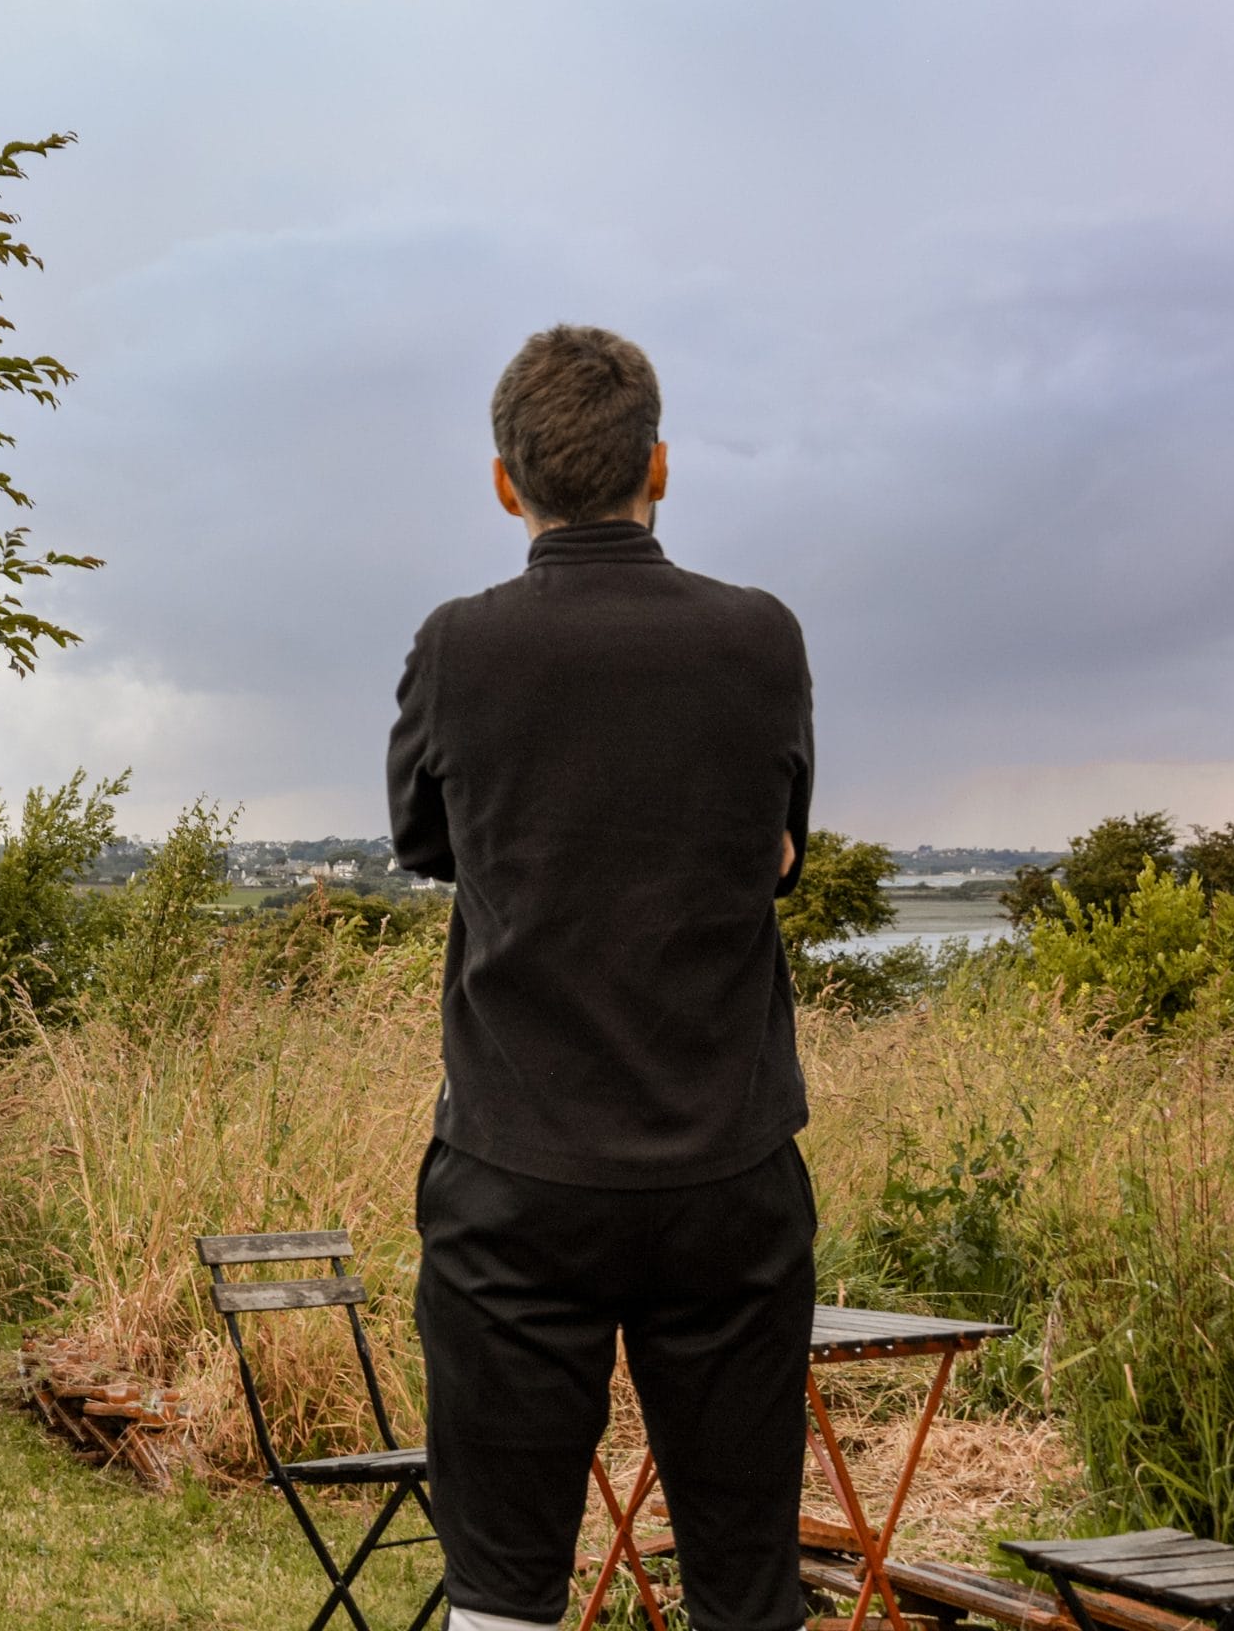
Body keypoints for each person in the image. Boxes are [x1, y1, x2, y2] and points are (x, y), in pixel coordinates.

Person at [387, 326, 817, 1631]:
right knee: (747, 1592)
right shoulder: (760, 639)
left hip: (517, 1179)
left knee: (504, 1593)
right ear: (661, 466)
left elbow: (424, 843)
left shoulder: (460, 647)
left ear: (508, 485)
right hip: (728, 1176)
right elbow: (780, 846)